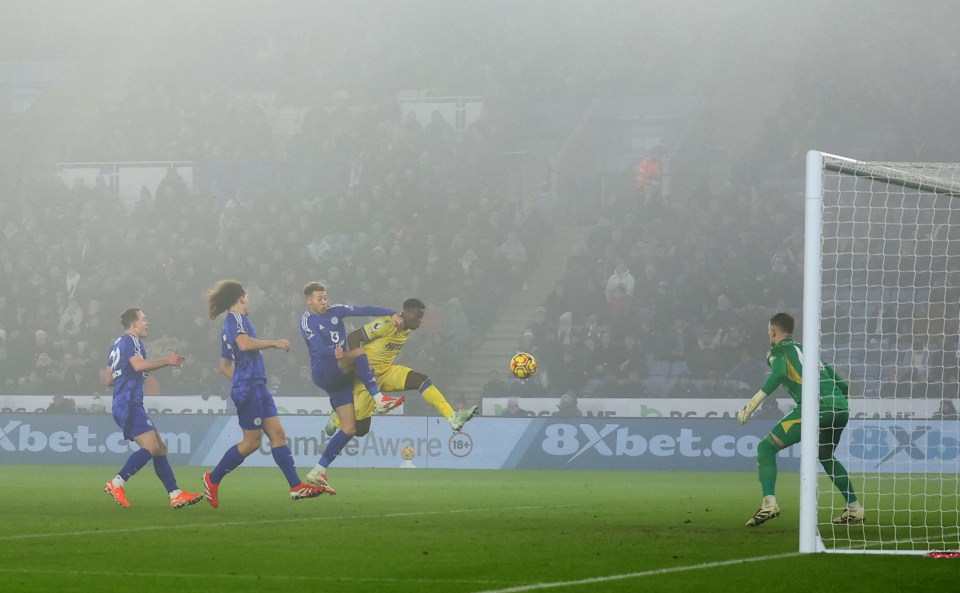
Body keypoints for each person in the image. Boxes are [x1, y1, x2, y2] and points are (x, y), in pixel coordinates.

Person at [202, 280, 327, 508]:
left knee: (278, 434)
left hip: (256, 387)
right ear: (241, 297)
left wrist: (242, 379)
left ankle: (296, 487)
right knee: (251, 443)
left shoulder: (237, 322)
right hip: (249, 388)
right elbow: (244, 344)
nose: (249, 301)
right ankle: (212, 479)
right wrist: (274, 343)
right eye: (247, 296)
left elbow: (224, 366)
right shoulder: (235, 319)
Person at [737, 312, 864, 527]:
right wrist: (834, 404)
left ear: (773, 331)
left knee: (766, 448)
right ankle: (855, 508)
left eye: (769, 331)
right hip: (840, 407)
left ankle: (769, 504)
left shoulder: (777, 351)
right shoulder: (809, 351)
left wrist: (752, 404)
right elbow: (842, 384)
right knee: (825, 455)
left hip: (815, 407)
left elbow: (777, 374)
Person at [299, 281, 402, 492]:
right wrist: (335, 352)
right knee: (359, 353)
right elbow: (317, 347)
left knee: (350, 428)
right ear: (309, 300)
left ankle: (317, 471)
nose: (324, 302)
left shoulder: (336, 310)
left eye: (325, 297)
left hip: (340, 375)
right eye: (320, 299)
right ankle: (379, 399)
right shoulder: (307, 320)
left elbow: (364, 309)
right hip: (324, 370)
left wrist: (391, 313)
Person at [325, 298, 478, 438]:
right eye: (418, 316)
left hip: (387, 371)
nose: (419, 321)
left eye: (421, 318)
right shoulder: (387, 324)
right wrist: (360, 364)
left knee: (421, 380)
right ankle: (337, 419)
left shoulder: (408, 328)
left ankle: (453, 418)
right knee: (361, 430)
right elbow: (353, 337)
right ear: (407, 312)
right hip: (367, 377)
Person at [102, 307, 203, 509]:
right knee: (151, 447)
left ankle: (175, 494)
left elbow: (108, 379)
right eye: (144, 319)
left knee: (159, 448)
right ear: (134, 324)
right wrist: (167, 361)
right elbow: (138, 366)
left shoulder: (117, 344)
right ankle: (117, 483)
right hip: (129, 403)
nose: (147, 322)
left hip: (123, 403)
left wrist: (132, 375)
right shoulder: (132, 341)